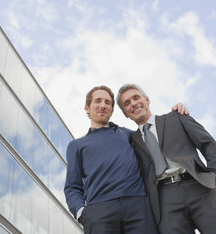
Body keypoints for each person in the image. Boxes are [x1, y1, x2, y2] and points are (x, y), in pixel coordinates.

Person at [117, 83, 216, 234]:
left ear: (147, 99)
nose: (133, 103)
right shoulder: (131, 141)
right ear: (125, 113)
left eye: (136, 98)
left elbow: (208, 145)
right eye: (127, 103)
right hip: (165, 201)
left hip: (199, 186)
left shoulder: (177, 117)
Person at [64, 85, 187, 234]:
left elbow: (154, 133)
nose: (103, 105)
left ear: (112, 109)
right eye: (98, 101)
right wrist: (82, 213)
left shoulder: (129, 135)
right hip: (99, 211)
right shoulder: (76, 145)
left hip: (139, 207)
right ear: (87, 107)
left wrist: (174, 114)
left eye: (107, 102)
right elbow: (72, 186)